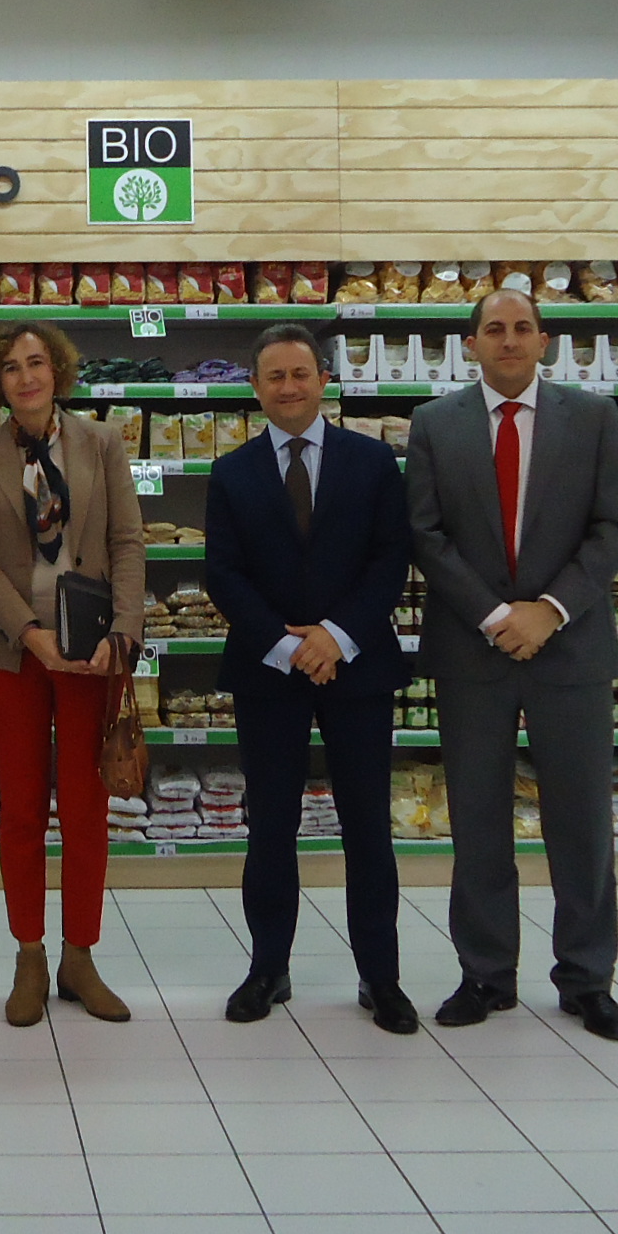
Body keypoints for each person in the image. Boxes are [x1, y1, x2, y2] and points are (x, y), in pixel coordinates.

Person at [406, 287, 618, 1042]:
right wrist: (496, 616)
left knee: (582, 821)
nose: (508, 340)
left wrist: (550, 610)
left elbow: (613, 527)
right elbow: (426, 534)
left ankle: (587, 979)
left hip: (569, 646)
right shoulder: (435, 424)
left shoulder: (593, 418)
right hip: (473, 649)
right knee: (478, 820)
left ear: (545, 341)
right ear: (470, 344)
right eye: (494, 329)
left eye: (522, 328)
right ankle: (485, 973)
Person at [205, 322, 417, 1031]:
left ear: (324, 380)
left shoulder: (373, 460)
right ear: (255, 387)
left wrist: (335, 636)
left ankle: (380, 976)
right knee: (271, 826)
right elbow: (223, 573)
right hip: (268, 670)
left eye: (300, 374)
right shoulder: (231, 472)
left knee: (368, 827)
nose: (289, 387)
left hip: (357, 665)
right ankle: (268, 968)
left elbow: (390, 559)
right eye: (274, 376)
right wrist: (283, 643)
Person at [0, 320, 145, 1026]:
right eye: (11, 367)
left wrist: (124, 631)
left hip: (94, 652)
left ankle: (80, 955)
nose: (26, 377)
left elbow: (127, 540)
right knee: (24, 808)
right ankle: (29, 954)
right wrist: (28, 632)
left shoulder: (102, 442)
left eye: (37, 363)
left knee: (87, 808)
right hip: (12, 652)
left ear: (57, 371)